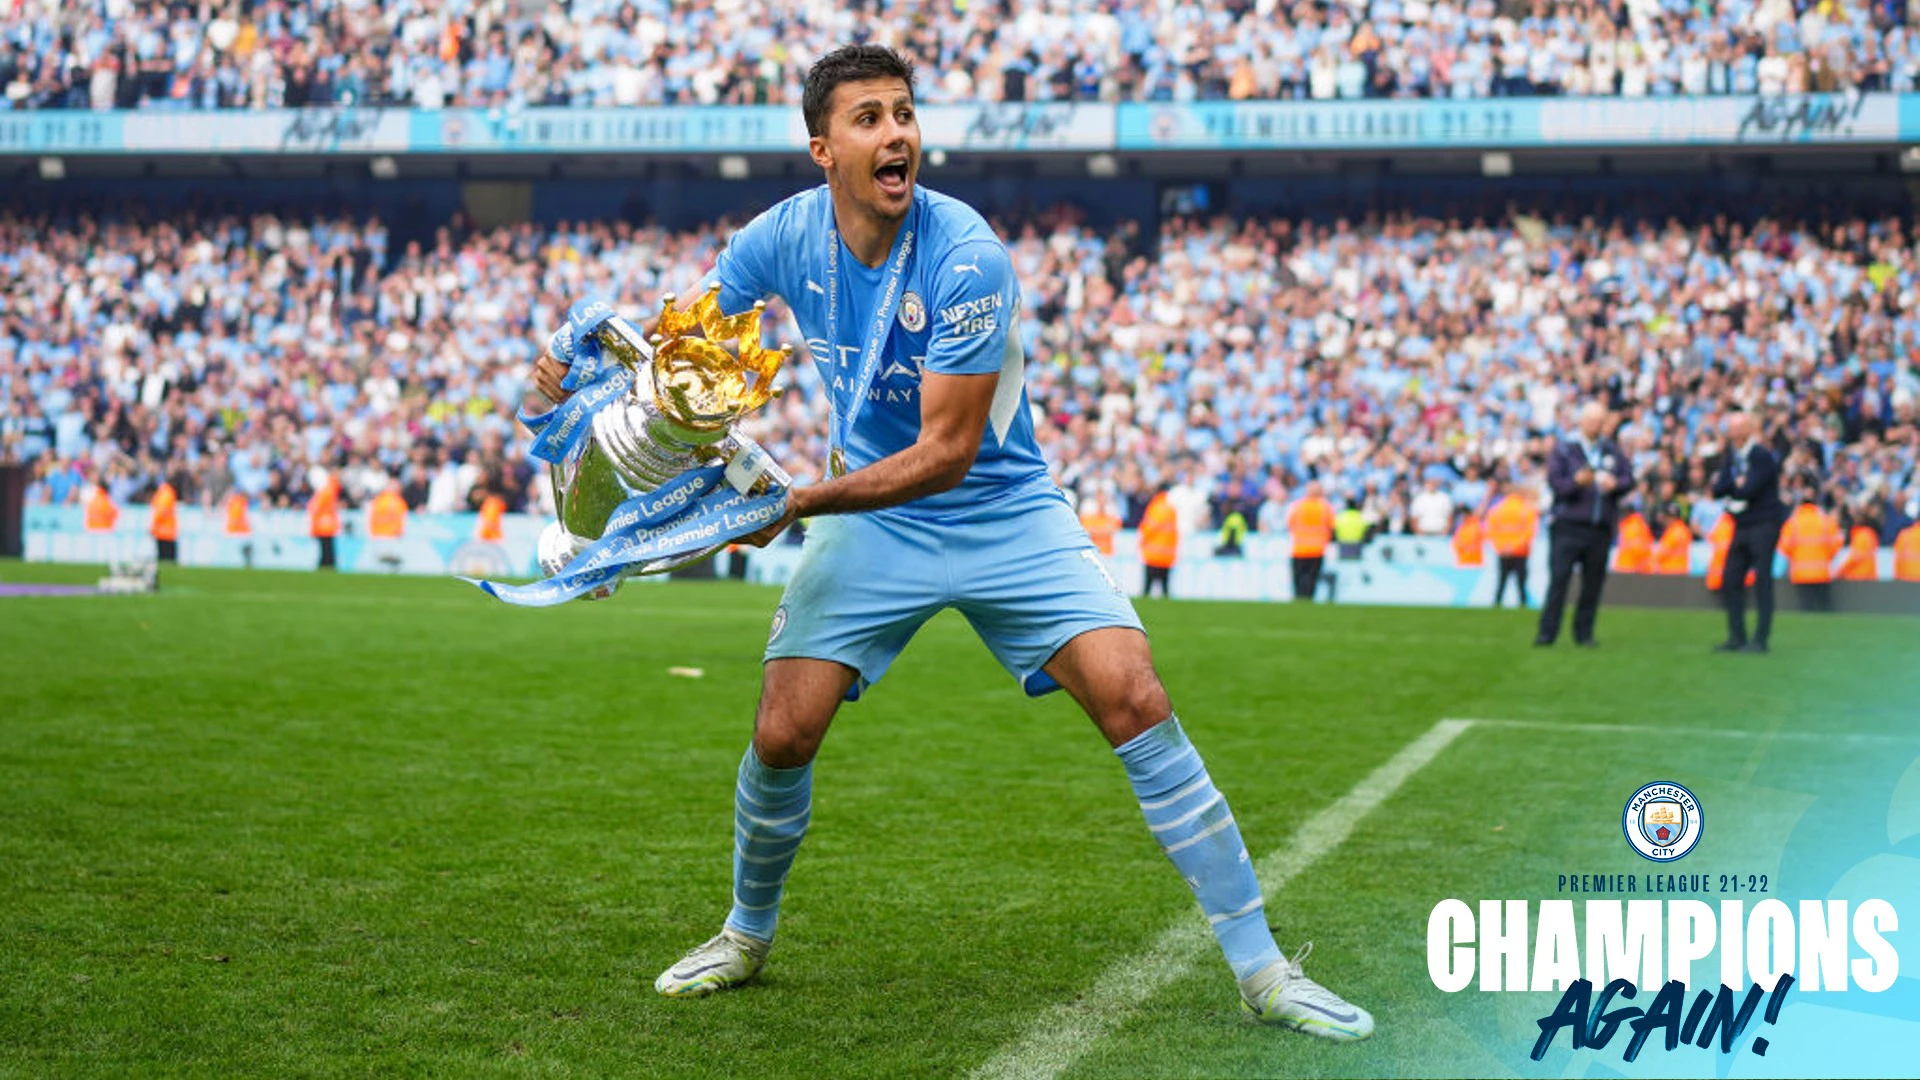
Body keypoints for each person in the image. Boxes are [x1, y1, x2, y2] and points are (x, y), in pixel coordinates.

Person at [529, 45, 1371, 1039]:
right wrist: (591, 383)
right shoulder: (779, 237)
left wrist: (791, 505)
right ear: (822, 148)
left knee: (1135, 697)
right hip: (872, 523)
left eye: (905, 114)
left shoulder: (968, 254)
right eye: (869, 118)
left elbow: (947, 453)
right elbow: (692, 356)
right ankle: (746, 934)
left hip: (1000, 507)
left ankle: (1263, 969)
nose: (896, 134)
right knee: (781, 730)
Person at [1535, 401, 1633, 647]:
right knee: (1559, 581)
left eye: (1599, 422)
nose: (1595, 426)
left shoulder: (1610, 449)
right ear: (1581, 422)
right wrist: (1576, 482)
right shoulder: (1565, 449)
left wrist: (1616, 485)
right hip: (1568, 526)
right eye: (1591, 421)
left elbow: (1628, 479)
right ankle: (1547, 634)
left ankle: (1584, 634)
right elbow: (1556, 484)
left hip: (1599, 527)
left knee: (1593, 585)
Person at [1711, 409, 1786, 653]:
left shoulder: (1761, 456)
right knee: (1731, 578)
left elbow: (1749, 489)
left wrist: (1734, 487)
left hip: (1763, 524)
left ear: (1747, 429)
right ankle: (1736, 636)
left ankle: (1760, 638)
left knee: (1762, 580)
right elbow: (1719, 489)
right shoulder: (1731, 458)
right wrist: (1735, 486)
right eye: (1729, 427)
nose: (1731, 432)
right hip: (1741, 524)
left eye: (1735, 427)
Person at [1484, 480, 1537, 607]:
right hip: (1520, 551)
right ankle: (1523, 604)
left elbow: (1490, 531)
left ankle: (1497, 603)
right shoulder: (1527, 509)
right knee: (1521, 581)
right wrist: (1515, 546)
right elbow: (1529, 532)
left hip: (1503, 551)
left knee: (1502, 579)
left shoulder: (1497, 510)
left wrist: (1502, 547)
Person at [1285, 480, 1333, 601]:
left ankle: (1298, 601)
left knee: (1298, 580)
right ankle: (1308, 601)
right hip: (1317, 549)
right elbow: (1331, 525)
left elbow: (1290, 523)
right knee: (1312, 580)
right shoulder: (1325, 507)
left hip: (1299, 548)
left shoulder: (1298, 505)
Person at [1139, 484, 1179, 598]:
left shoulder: (1156, 507)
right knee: (1165, 589)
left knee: (1147, 588)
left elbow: (1150, 527)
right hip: (1167, 555)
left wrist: (1142, 540)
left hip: (1153, 554)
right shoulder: (1171, 508)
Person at [308, 473, 341, 570]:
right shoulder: (326, 491)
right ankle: (328, 564)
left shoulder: (325, 492)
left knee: (326, 547)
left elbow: (315, 508)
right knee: (327, 546)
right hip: (327, 524)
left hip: (324, 525)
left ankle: (325, 564)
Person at [150, 477, 179, 563]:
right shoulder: (167, 493)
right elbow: (161, 511)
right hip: (166, 532)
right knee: (168, 559)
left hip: (162, 531)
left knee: (163, 557)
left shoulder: (162, 493)